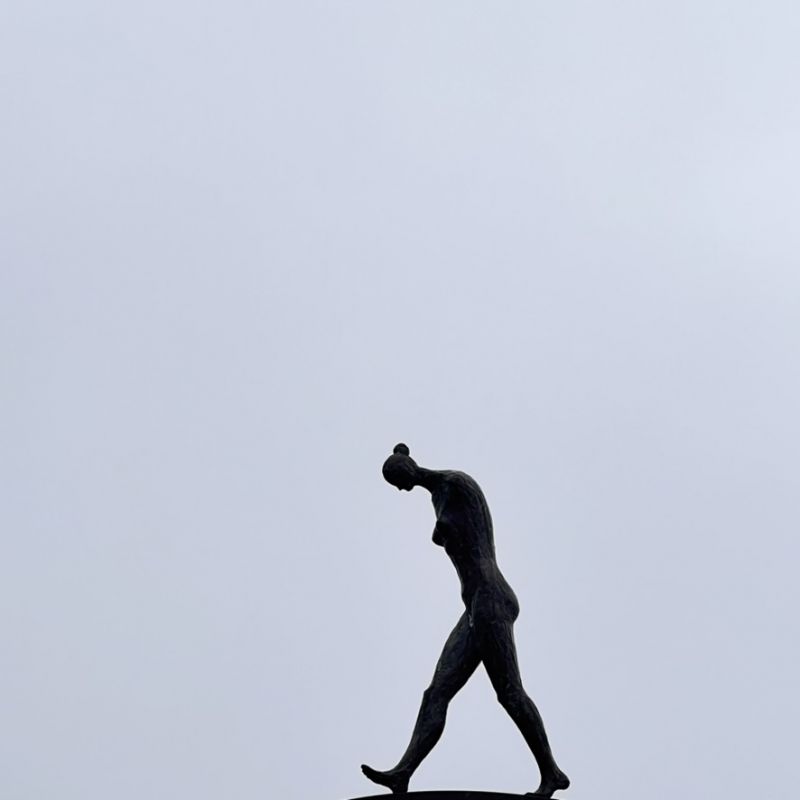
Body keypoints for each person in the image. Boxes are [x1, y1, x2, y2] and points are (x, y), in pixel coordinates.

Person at [361, 444, 570, 797]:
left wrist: (445, 530)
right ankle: (403, 773)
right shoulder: (437, 497)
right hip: (474, 605)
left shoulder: (458, 485)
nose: (401, 489)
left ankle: (551, 772)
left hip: (490, 598)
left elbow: (473, 531)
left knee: (510, 693)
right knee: (436, 693)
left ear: (408, 467)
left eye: (398, 480)